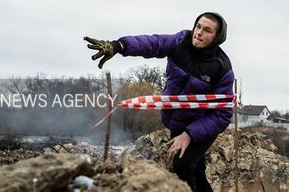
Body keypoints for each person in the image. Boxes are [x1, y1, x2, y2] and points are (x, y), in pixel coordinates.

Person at [84, 12, 234, 192]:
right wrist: (119, 46)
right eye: (198, 26)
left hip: (202, 125)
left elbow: (223, 114)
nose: (199, 32)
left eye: (207, 30)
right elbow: (153, 43)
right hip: (177, 120)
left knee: (183, 166)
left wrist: (189, 134)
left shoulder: (222, 67)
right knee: (195, 171)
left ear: (216, 37)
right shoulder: (180, 41)